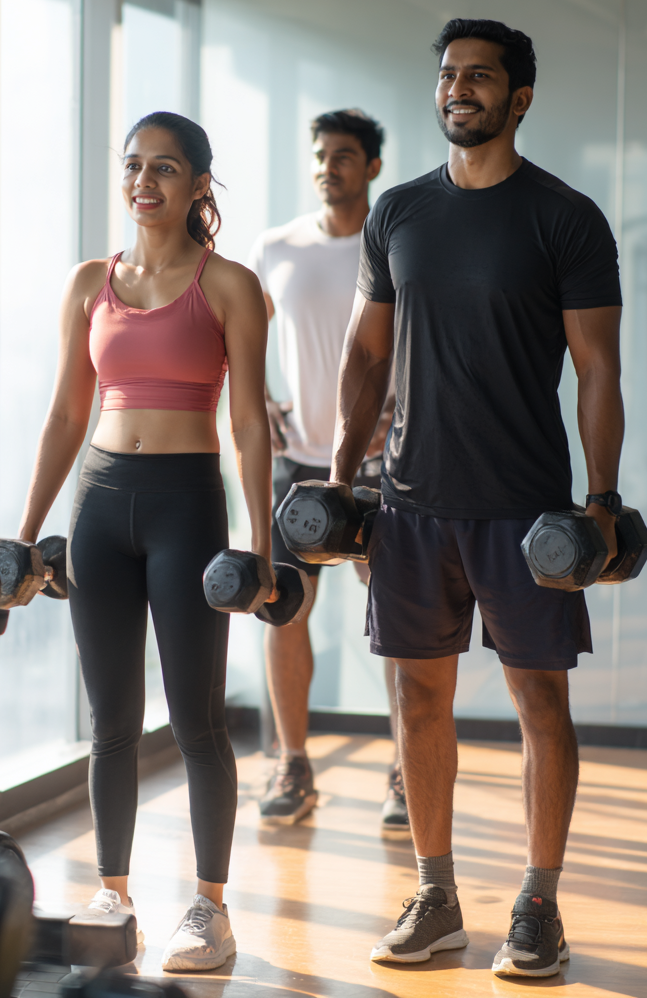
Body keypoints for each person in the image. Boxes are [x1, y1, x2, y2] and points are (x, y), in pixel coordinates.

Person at [329, 20, 624, 978]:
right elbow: (367, 354)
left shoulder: (565, 218)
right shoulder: (400, 213)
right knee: (418, 697)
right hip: (412, 503)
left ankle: (538, 902)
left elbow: (597, 368)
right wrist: (342, 481)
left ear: (520, 98)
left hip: (525, 508)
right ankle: (438, 891)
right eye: (449, 76)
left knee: (540, 701)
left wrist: (603, 500)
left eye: (481, 78)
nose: (459, 89)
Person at [15, 111, 272, 973]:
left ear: (201, 183)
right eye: (133, 166)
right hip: (98, 506)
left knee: (197, 721)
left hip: (186, 507)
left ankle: (209, 908)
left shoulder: (229, 284)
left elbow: (247, 423)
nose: (144, 181)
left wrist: (262, 545)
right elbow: (63, 414)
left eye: (165, 167)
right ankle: (112, 893)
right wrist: (22, 537)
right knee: (112, 722)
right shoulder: (91, 280)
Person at [246, 110, 405, 836]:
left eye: (344, 155)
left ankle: (407, 768)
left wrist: (403, 412)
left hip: (383, 463)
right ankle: (294, 762)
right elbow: (238, 341)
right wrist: (258, 402)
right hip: (299, 461)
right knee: (282, 609)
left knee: (401, 621)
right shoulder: (276, 247)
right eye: (320, 155)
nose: (328, 165)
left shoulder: (397, 245)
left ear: (372, 166)